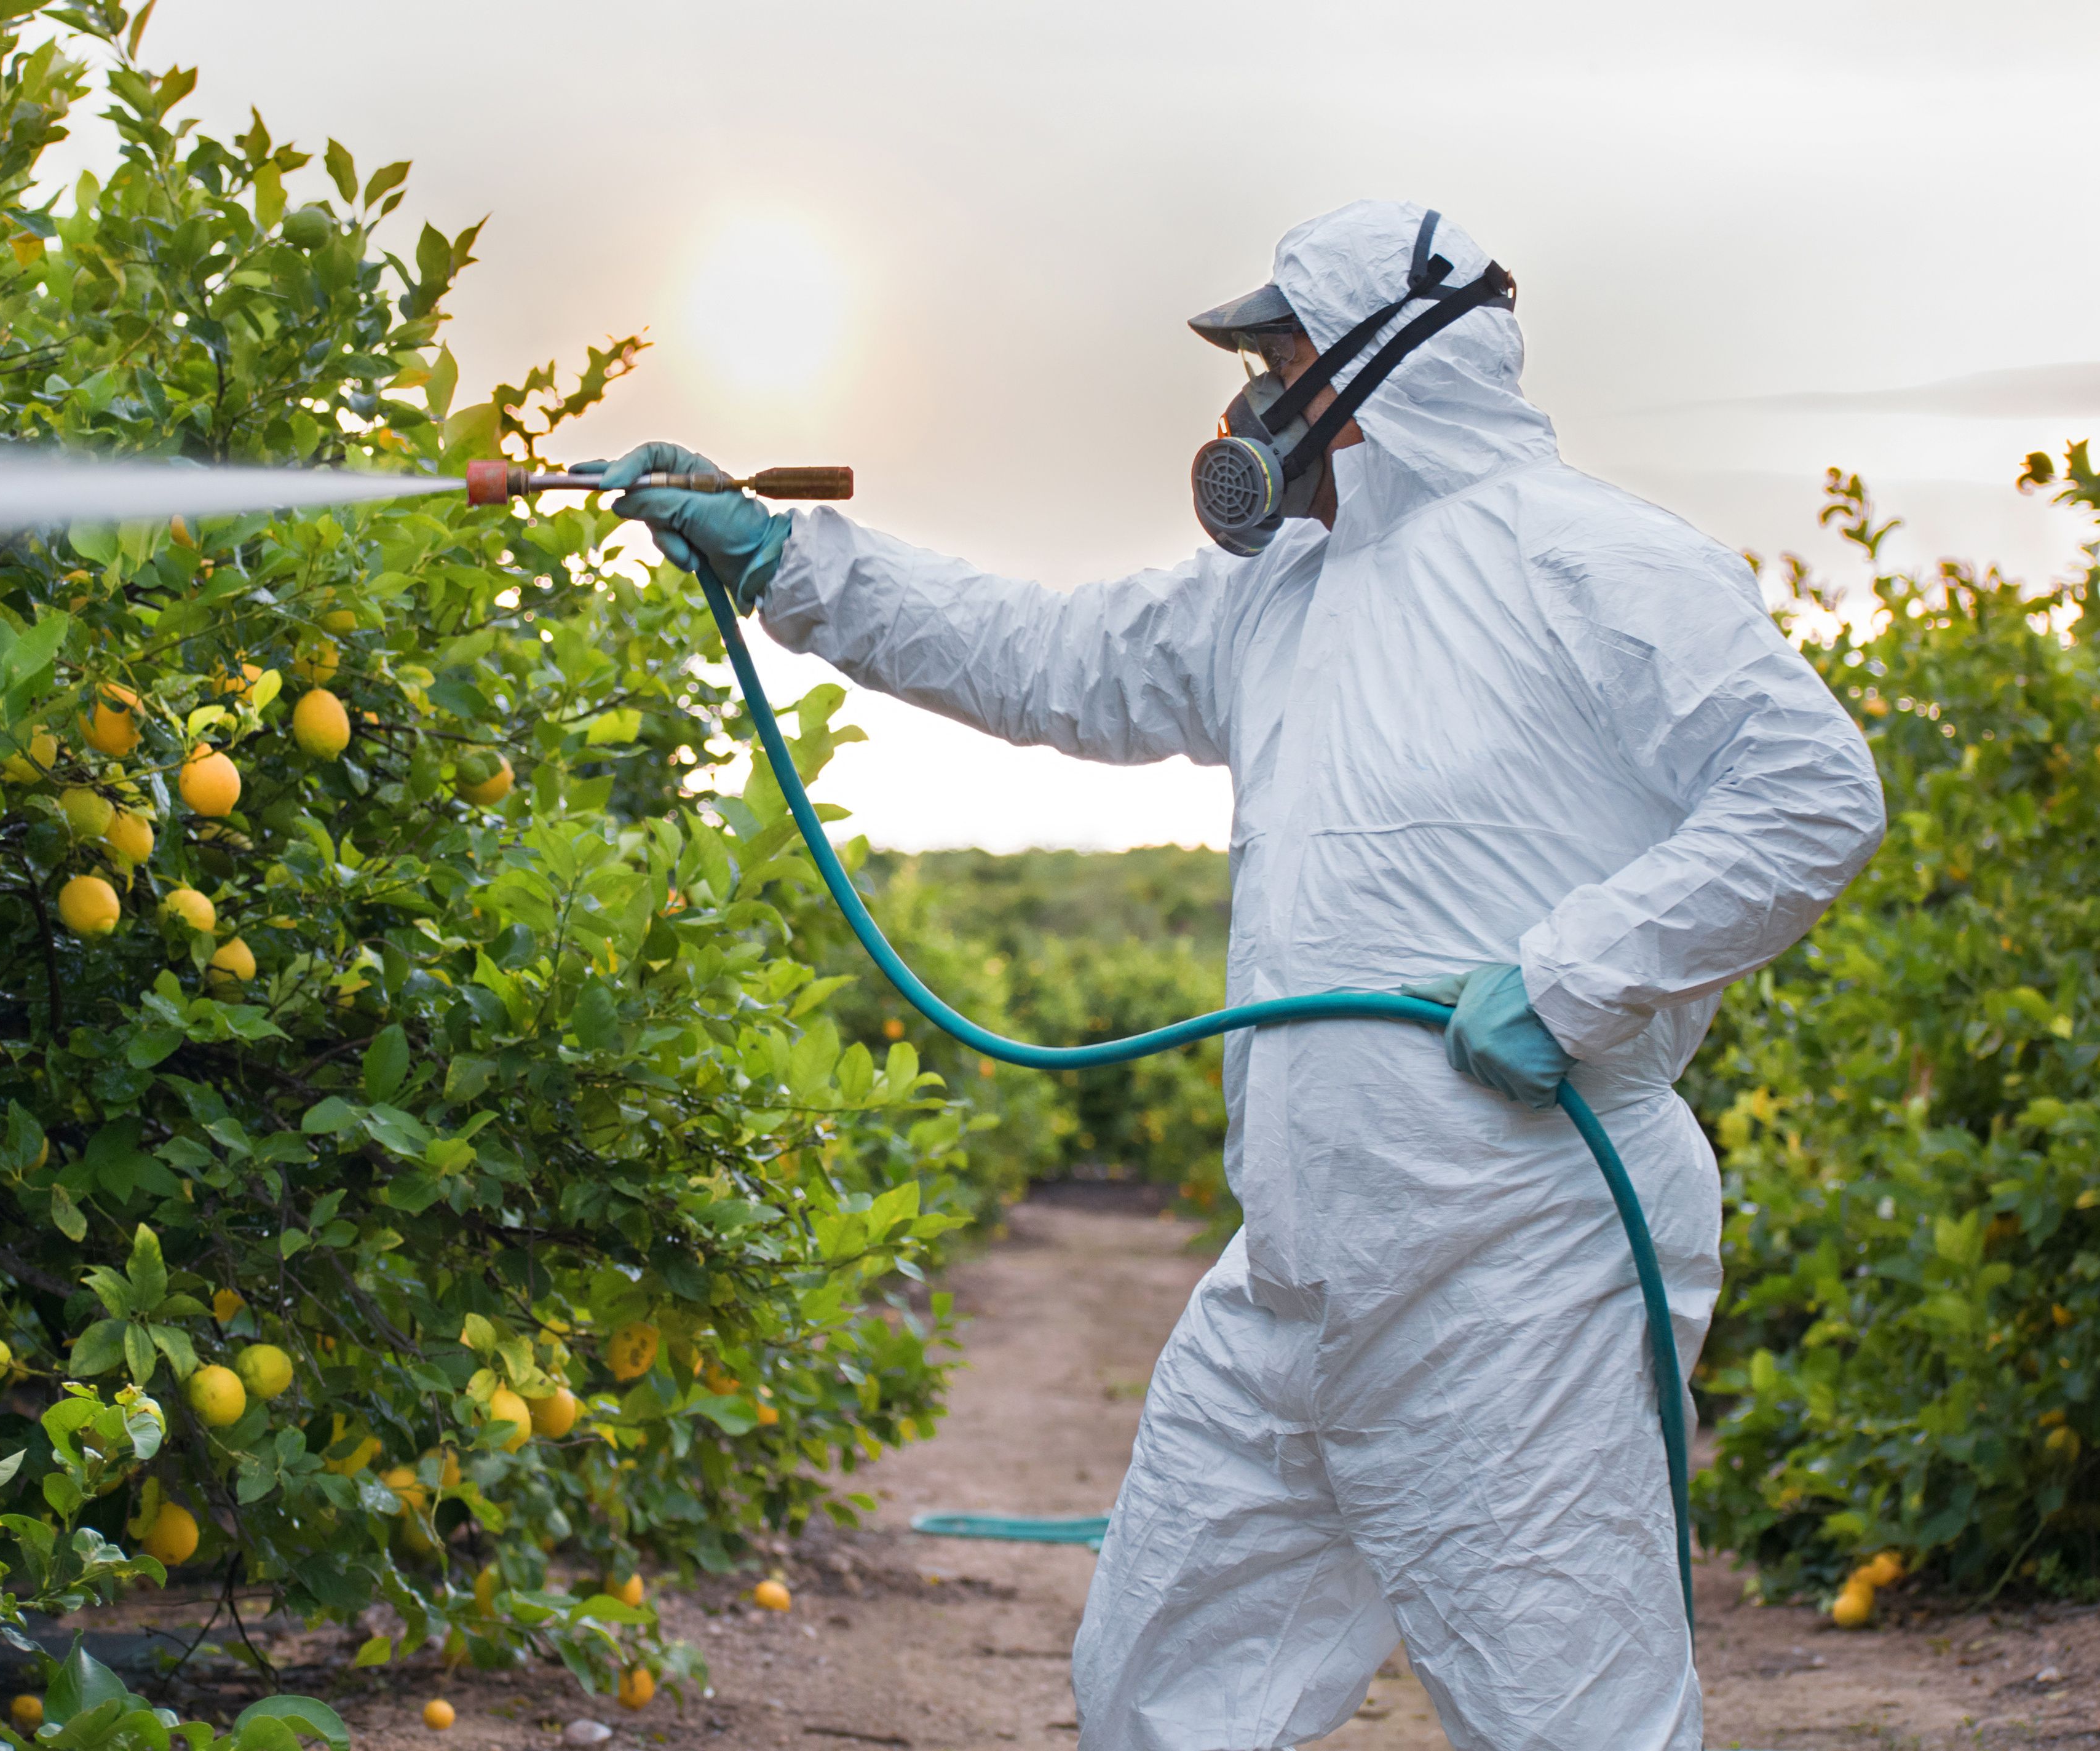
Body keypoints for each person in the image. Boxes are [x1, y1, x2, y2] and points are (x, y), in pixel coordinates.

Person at [588, 200, 1886, 1751]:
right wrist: (788, 559)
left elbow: (1811, 792)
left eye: (1273, 360)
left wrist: (1573, 978)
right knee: (1160, 1692)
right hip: (1298, 1272)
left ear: (1373, 372)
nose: (1245, 405)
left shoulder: (1595, 559)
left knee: (1571, 1721)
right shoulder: (1283, 596)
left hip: (1522, 1266)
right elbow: (1043, 653)